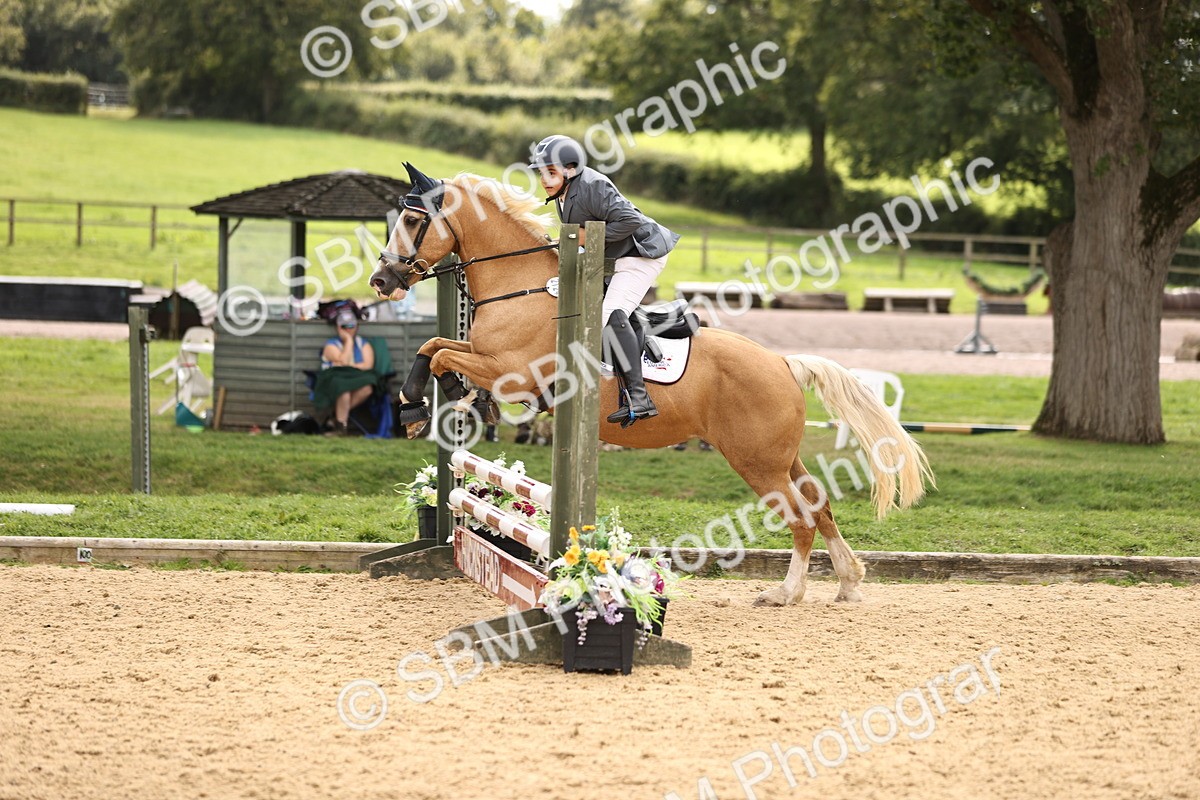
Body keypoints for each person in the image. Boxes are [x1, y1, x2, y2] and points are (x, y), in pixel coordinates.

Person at [530, 134, 681, 427]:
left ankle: (639, 398)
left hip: (641, 254)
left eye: (550, 172)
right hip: (614, 257)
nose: (544, 179)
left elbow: (631, 220)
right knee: (609, 311)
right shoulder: (565, 193)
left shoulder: (592, 185)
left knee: (609, 314)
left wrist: (587, 237)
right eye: (541, 173)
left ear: (570, 169)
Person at [319, 307, 375, 436]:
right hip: (334, 381)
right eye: (345, 327)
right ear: (338, 328)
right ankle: (341, 428)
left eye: (351, 326)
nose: (349, 329)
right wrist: (348, 341)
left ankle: (335, 417)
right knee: (343, 389)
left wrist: (348, 365)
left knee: (367, 388)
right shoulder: (331, 345)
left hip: (357, 380)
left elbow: (368, 365)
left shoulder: (363, 344)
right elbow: (344, 363)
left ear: (356, 326)